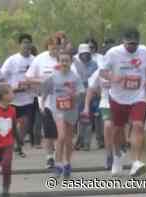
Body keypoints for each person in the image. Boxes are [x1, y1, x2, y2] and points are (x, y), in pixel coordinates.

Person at [100, 27, 146, 176]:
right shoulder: (113, 53)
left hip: (138, 96)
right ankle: (117, 157)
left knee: (138, 125)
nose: (132, 46)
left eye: (135, 44)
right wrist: (112, 77)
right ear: (123, 41)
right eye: (129, 44)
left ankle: (136, 162)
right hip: (118, 97)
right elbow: (102, 72)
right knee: (117, 130)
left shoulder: (144, 51)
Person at [41, 50, 84, 178]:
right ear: (58, 62)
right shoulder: (53, 77)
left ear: (71, 62)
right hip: (57, 110)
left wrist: (75, 95)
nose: (64, 63)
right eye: (62, 60)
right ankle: (58, 164)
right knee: (61, 136)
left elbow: (82, 92)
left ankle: (67, 163)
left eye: (66, 60)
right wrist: (42, 105)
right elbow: (45, 91)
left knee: (69, 139)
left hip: (71, 110)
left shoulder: (75, 77)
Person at [25, 35, 59, 169]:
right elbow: (28, 78)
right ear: (48, 46)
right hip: (45, 101)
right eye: (51, 46)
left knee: (61, 131)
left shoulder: (64, 59)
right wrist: (43, 82)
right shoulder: (40, 59)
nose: (54, 49)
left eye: (57, 46)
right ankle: (50, 157)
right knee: (49, 131)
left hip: (62, 101)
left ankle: (59, 154)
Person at [1, 33, 35, 158]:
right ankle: (15, 145)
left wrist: (31, 85)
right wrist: (11, 89)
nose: (26, 45)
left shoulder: (34, 60)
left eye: (28, 42)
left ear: (31, 44)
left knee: (25, 123)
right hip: (13, 98)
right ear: (19, 44)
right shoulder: (12, 60)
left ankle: (18, 144)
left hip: (28, 98)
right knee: (13, 125)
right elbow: (1, 77)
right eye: (24, 42)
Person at [71, 43, 102, 151]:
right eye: (82, 54)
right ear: (79, 55)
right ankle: (80, 141)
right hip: (80, 94)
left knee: (89, 118)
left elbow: (97, 79)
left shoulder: (95, 64)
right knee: (81, 119)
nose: (85, 56)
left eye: (87, 54)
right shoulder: (75, 65)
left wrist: (98, 91)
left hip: (92, 93)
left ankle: (86, 143)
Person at [82, 67, 113, 170]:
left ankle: (118, 154)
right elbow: (90, 90)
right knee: (108, 126)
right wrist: (86, 107)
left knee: (119, 132)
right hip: (106, 103)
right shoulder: (100, 71)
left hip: (122, 102)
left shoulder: (122, 67)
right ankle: (109, 156)